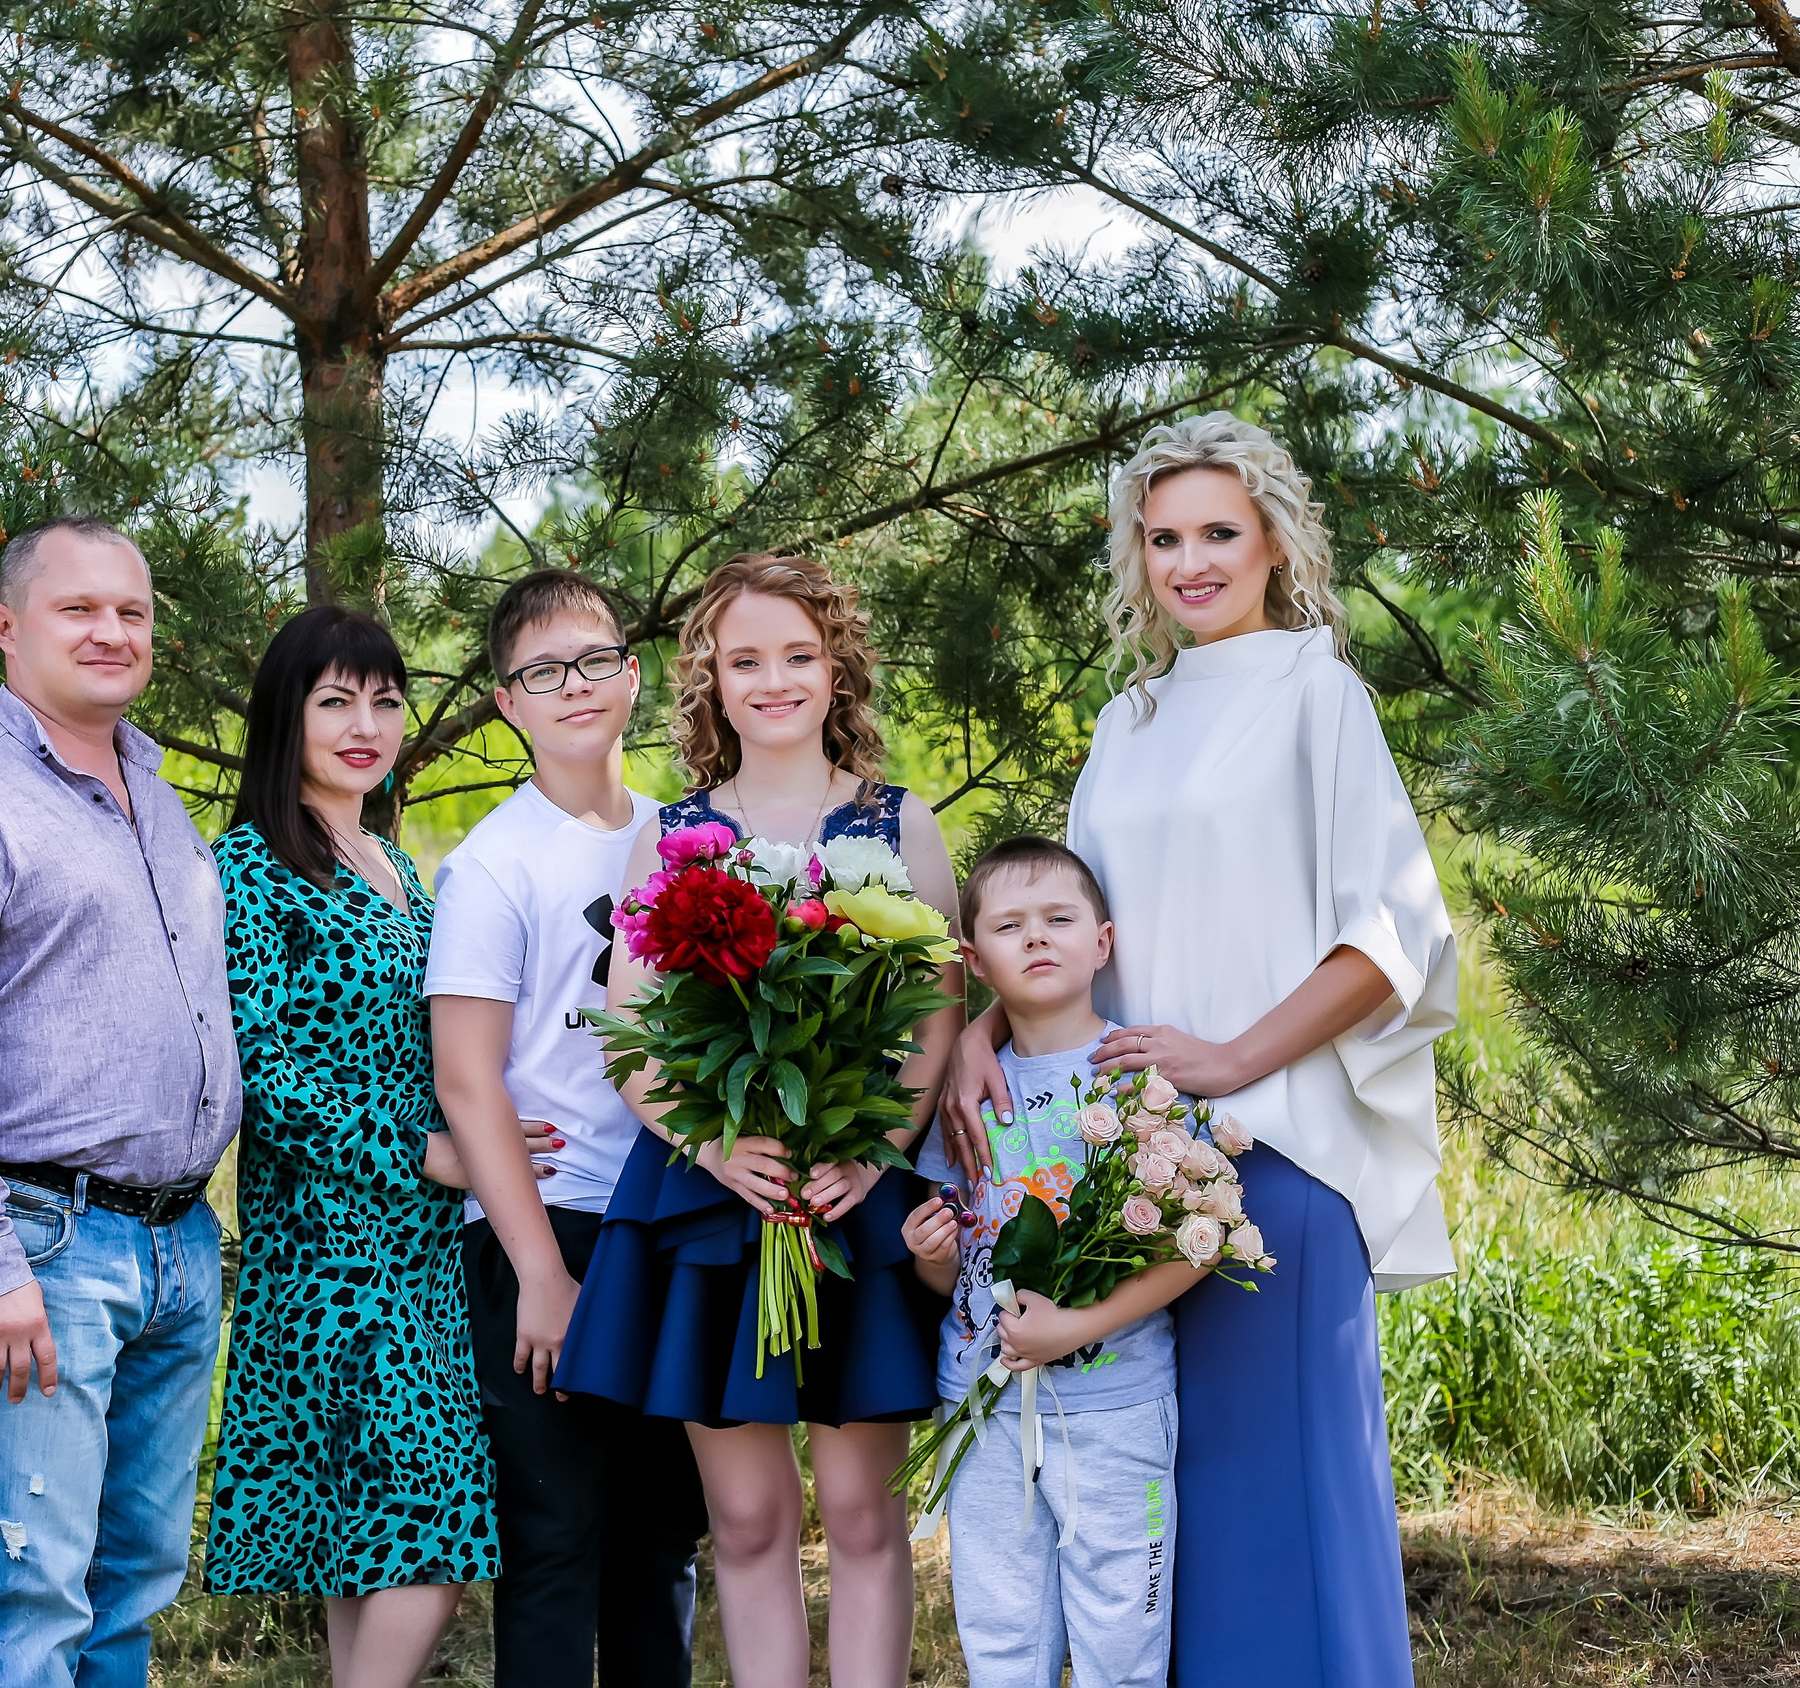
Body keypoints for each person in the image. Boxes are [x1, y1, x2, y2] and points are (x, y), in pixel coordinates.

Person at [941, 411, 1459, 1688]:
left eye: (1218, 532)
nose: (1189, 561)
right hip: (1118, 1166)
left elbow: (1393, 931)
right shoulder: (1134, 717)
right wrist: (983, 1026)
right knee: (1163, 1515)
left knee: (1282, 1497)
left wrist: (1229, 1060)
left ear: (1274, 541)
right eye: (1161, 537)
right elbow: (1062, 916)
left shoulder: (1316, 690)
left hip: (1268, 1154)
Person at [555, 552, 961, 1688]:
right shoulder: (674, 836)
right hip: (714, 1198)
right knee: (743, 1519)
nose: (774, 680)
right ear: (712, 683)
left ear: (837, 669)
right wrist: (719, 1146)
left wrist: (877, 1155)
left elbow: (935, 1009)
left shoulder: (898, 823)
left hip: (853, 1190)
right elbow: (627, 1034)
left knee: (862, 1513)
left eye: (797, 654)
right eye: (746, 660)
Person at [0, 516, 239, 1688]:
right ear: (8, 629)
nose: (111, 632)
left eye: (132, 611)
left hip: (177, 1246)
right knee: (30, 1595)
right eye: (79, 610)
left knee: (131, 1590)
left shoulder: (156, 798)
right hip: (40, 1248)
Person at [425, 570, 711, 1688]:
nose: (574, 688)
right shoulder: (496, 863)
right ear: (509, 703)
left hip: (673, 1223)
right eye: (542, 673)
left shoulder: (686, 834)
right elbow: (467, 1080)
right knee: (554, 1545)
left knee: (660, 1541)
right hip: (549, 1231)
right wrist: (540, 1272)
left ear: (631, 675)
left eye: (594, 661)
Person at [204, 605, 498, 1688]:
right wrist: (423, 1151)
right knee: (433, 1526)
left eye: (384, 699)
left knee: (370, 1536)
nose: (365, 723)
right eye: (335, 701)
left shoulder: (393, 864)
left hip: (416, 1251)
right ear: (288, 718)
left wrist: (489, 1132)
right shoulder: (248, 866)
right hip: (330, 1248)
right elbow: (262, 1074)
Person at [900, 836, 1205, 1688]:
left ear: (1102, 941)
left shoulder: (1136, 1076)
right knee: (1002, 1636)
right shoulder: (964, 1094)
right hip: (982, 1404)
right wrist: (932, 1254)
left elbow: (1200, 1241)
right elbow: (952, 1273)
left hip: (1115, 1405)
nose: (1037, 937)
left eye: (1059, 919)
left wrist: (1079, 1324)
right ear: (974, 958)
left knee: (1123, 1638)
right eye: (1010, 925)